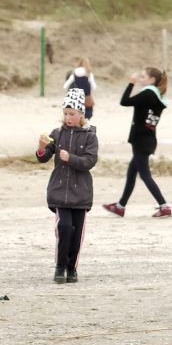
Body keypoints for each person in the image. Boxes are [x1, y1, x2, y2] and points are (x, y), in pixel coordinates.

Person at [36, 88, 99, 284]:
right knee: (64, 227)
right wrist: (41, 148)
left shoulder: (90, 136)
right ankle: (60, 266)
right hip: (59, 192)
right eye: (65, 113)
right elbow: (43, 157)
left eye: (72, 114)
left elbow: (90, 161)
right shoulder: (57, 134)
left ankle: (72, 268)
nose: (68, 117)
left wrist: (70, 158)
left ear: (81, 114)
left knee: (77, 233)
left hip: (81, 194)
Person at [102, 67, 172, 218]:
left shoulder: (148, 93)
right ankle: (120, 206)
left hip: (141, 140)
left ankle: (164, 206)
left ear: (152, 80)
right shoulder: (157, 96)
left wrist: (131, 83)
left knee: (145, 175)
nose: (141, 78)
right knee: (132, 172)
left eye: (143, 76)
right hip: (147, 140)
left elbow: (124, 101)